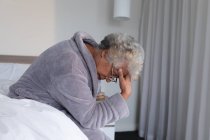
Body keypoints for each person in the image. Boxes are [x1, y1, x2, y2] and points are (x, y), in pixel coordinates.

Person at [8, 31, 144, 140]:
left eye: (115, 78)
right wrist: (124, 94)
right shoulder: (71, 66)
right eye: (114, 74)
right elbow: (90, 119)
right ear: (105, 54)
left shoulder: (86, 56)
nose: (109, 80)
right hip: (32, 104)